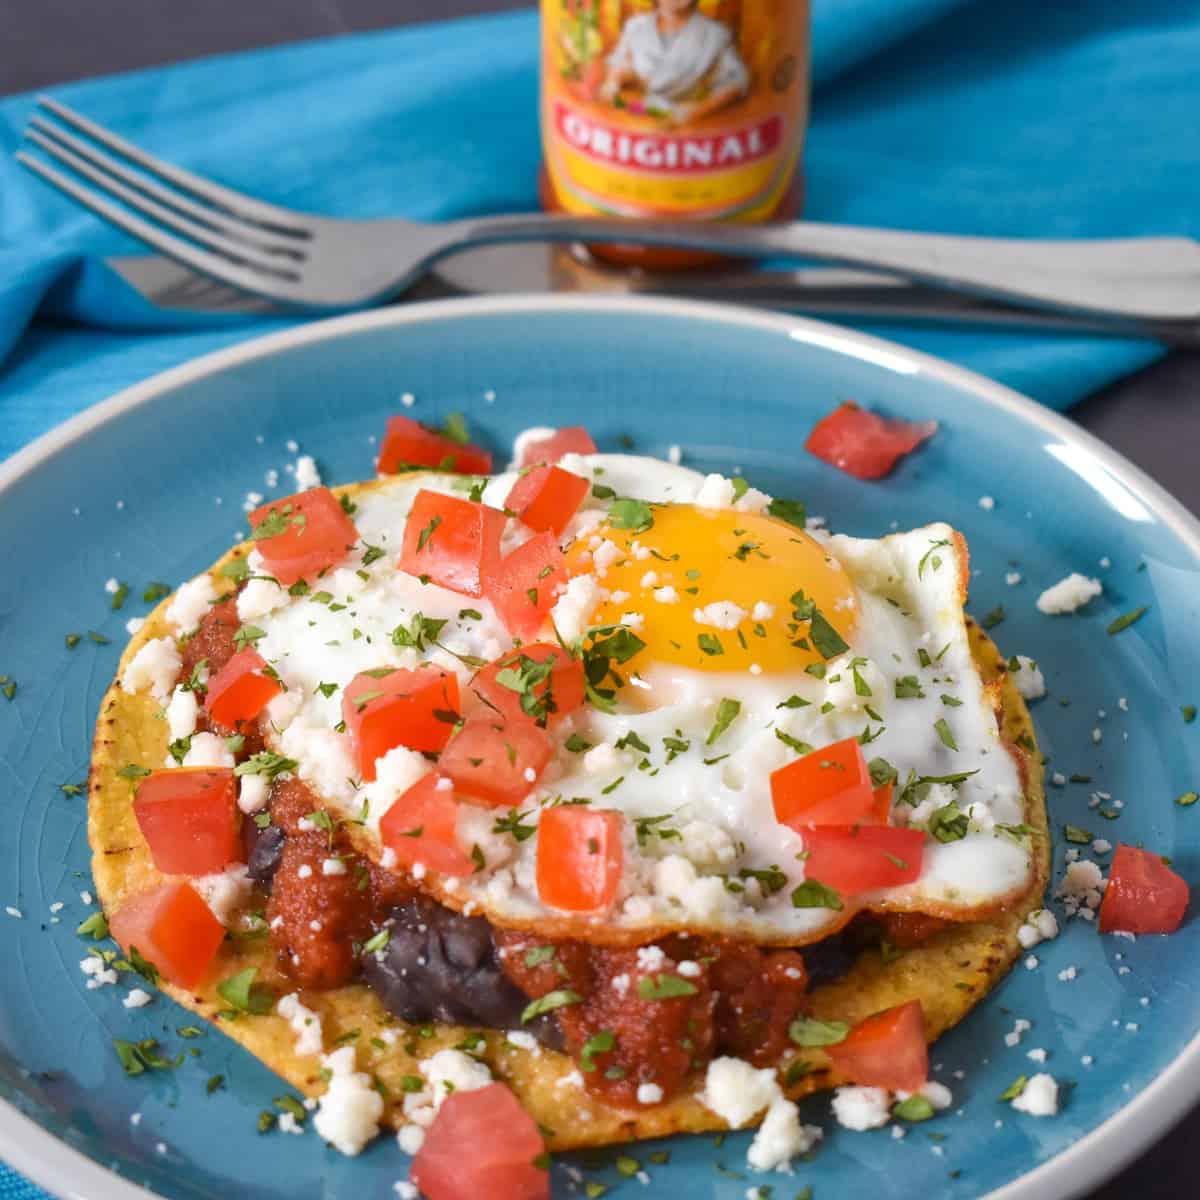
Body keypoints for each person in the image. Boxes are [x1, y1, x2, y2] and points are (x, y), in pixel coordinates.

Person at [599, 0, 750, 124]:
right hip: (639, 119)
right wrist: (613, 82)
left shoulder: (715, 35)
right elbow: (621, 62)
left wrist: (695, 112)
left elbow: (736, 81)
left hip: (694, 127)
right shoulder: (635, 26)